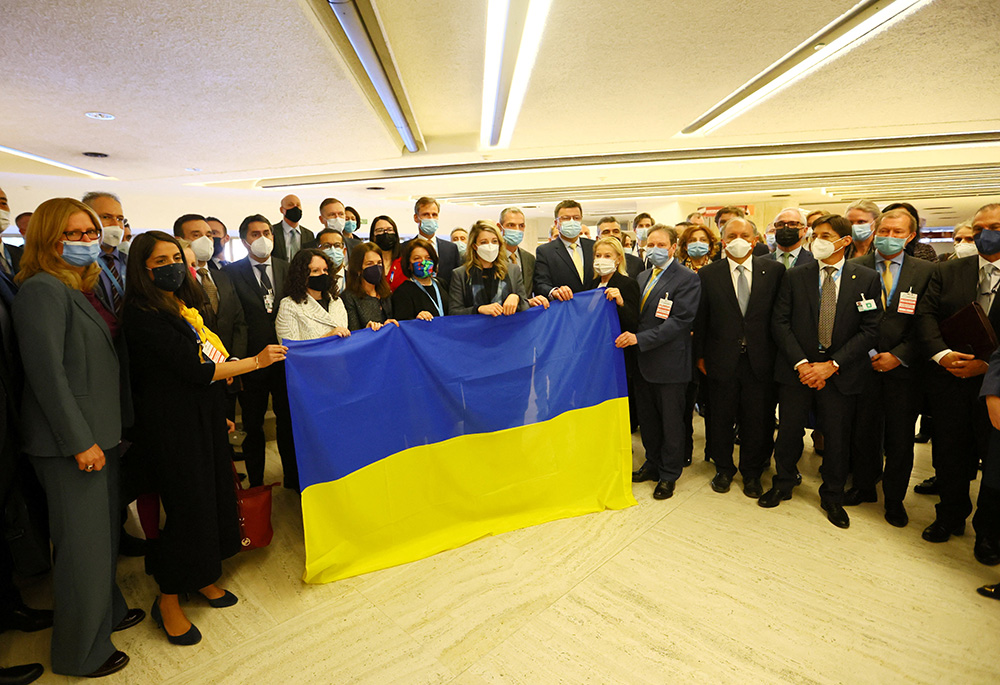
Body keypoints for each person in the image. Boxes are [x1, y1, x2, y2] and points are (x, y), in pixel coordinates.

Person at [123, 231, 287, 647]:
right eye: (159, 261)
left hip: (202, 416)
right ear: (142, 268)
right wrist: (255, 361)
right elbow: (194, 369)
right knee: (186, 507)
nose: (172, 266)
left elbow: (206, 361)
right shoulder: (141, 313)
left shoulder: (179, 305)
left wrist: (218, 414)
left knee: (214, 498)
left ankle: (202, 576)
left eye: (175, 258)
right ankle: (169, 598)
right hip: (171, 426)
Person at [12, 198, 143, 678]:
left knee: (101, 538)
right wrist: (78, 442)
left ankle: (105, 614)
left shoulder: (79, 286)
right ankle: (78, 652)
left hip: (100, 434)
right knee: (81, 551)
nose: (88, 241)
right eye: (76, 234)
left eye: (92, 232)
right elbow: (47, 375)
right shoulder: (43, 289)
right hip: (71, 443)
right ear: (48, 239)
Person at [762, 214, 882, 528]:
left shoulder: (866, 278)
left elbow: (870, 329)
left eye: (826, 234)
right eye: (815, 234)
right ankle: (784, 481)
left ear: (845, 241)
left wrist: (831, 365)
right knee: (788, 432)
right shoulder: (795, 276)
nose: (818, 240)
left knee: (837, 437)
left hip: (840, 373)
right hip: (796, 371)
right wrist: (803, 364)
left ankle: (832, 495)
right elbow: (780, 323)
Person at [916, 203, 1000, 559]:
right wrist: (942, 355)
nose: (984, 234)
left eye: (994, 226)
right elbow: (925, 315)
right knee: (949, 454)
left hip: (995, 388)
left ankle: (989, 532)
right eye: (978, 227)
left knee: (994, 463)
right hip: (949, 379)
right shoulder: (949, 270)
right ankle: (949, 516)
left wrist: (987, 366)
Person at [846, 208, 935, 528]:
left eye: (898, 232)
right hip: (863, 364)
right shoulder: (854, 266)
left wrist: (898, 355)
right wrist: (869, 351)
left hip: (905, 370)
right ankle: (864, 486)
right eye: (884, 230)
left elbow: (928, 322)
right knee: (864, 432)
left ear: (910, 236)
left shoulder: (925, 271)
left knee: (900, 438)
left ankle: (895, 499)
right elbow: (850, 318)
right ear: (875, 229)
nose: (889, 237)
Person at [694, 217, 784, 498]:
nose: (738, 239)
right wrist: (700, 357)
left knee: (757, 419)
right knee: (720, 417)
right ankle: (723, 468)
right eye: (731, 235)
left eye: (744, 234)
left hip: (761, 360)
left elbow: (779, 318)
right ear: (723, 241)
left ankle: (752, 472)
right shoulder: (709, 274)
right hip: (720, 359)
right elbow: (702, 318)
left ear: (755, 240)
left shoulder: (775, 271)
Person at [622, 225, 701, 500]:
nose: (653, 248)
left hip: (669, 364)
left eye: (660, 244)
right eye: (649, 243)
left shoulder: (687, 279)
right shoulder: (643, 276)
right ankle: (652, 463)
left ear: (672, 247)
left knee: (671, 422)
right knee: (648, 420)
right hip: (642, 364)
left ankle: (669, 474)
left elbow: (680, 322)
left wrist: (639, 339)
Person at [223, 215, 299, 490]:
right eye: (256, 234)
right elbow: (233, 319)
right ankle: (256, 483)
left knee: (287, 422)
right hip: (251, 362)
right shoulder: (231, 273)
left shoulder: (286, 268)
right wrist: (238, 360)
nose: (263, 238)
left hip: (285, 359)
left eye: (267, 232)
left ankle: (292, 477)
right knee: (253, 427)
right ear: (245, 240)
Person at [173, 215, 247, 358]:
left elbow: (239, 322)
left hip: (232, 363)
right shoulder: (177, 282)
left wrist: (235, 359)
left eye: (209, 235)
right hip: (197, 364)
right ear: (178, 240)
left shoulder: (223, 276)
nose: (205, 240)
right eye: (196, 235)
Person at [449, 221, 547, 316]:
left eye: (494, 241)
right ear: (474, 246)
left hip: (506, 329)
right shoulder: (460, 274)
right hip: (475, 330)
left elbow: (524, 306)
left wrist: (516, 297)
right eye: (484, 242)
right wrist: (479, 309)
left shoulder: (512, 270)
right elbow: (454, 312)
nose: (490, 246)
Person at [592, 237, 640, 429]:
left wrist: (620, 303)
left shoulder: (627, 284)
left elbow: (634, 322)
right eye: (598, 255)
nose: (601, 259)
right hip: (596, 354)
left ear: (618, 259)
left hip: (620, 353)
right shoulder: (590, 284)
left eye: (607, 256)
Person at [275, 248, 350, 341]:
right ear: (302, 275)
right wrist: (327, 337)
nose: (323, 274)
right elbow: (290, 349)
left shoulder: (336, 301)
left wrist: (366, 331)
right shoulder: (289, 305)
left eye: (325, 270)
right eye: (315, 271)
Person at [534, 200, 595, 301]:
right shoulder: (545, 251)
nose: (572, 222)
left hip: (594, 308)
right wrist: (554, 291)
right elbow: (540, 284)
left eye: (576, 218)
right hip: (565, 308)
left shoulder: (594, 246)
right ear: (556, 223)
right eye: (566, 218)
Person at [342, 243, 398, 331]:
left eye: (379, 263)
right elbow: (353, 332)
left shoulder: (386, 293)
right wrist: (367, 329)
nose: (376, 267)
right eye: (369, 264)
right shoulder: (349, 297)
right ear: (358, 268)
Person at [392, 238, 449, 321]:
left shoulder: (441, 283)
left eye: (428, 258)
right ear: (408, 264)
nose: (423, 262)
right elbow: (404, 324)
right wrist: (416, 319)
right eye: (417, 258)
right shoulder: (402, 291)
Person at [412, 197, 461, 288]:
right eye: (426, 214)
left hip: (445, 298)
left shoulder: (451, 249)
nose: (431, 218)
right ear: (416, 217)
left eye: (434, 215)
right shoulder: (405, 248)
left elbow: (456, 281)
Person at [499, 207, 536, 295]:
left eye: (521, 226)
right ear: (499, 227)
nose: (517, 230)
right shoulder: (492, 257)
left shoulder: (529, 259)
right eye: (511, 225)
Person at [271, 194, 313, 261]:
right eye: (290, 205)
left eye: (298, 205)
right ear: (282, 210)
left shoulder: (309, 235)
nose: (295, 208)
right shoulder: (272, 231)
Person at [369, 215, 405, 291]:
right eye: (380, 230)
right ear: (373, 236)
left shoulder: (404, 261)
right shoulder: (368, 262)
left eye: (389, 230)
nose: (385, 233)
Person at [315, 227, 349, 293]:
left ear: (344, 251)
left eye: (337, 245)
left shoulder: (355, 279)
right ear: (317, 251)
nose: (333, 250)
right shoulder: (311, 280)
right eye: (327, 246)